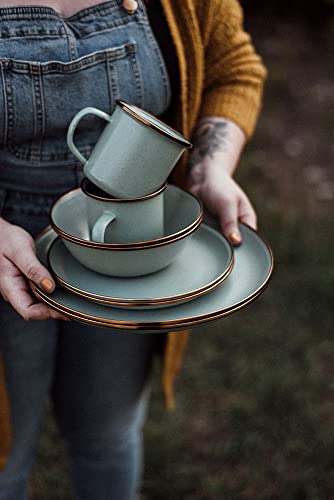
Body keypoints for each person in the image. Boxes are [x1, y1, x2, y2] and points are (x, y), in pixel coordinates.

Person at [0, 0, 266, 498]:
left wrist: (210, 167)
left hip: (133, 249)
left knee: (108, 435)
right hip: (6, 248)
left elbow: (233, 67)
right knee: (3, 461)